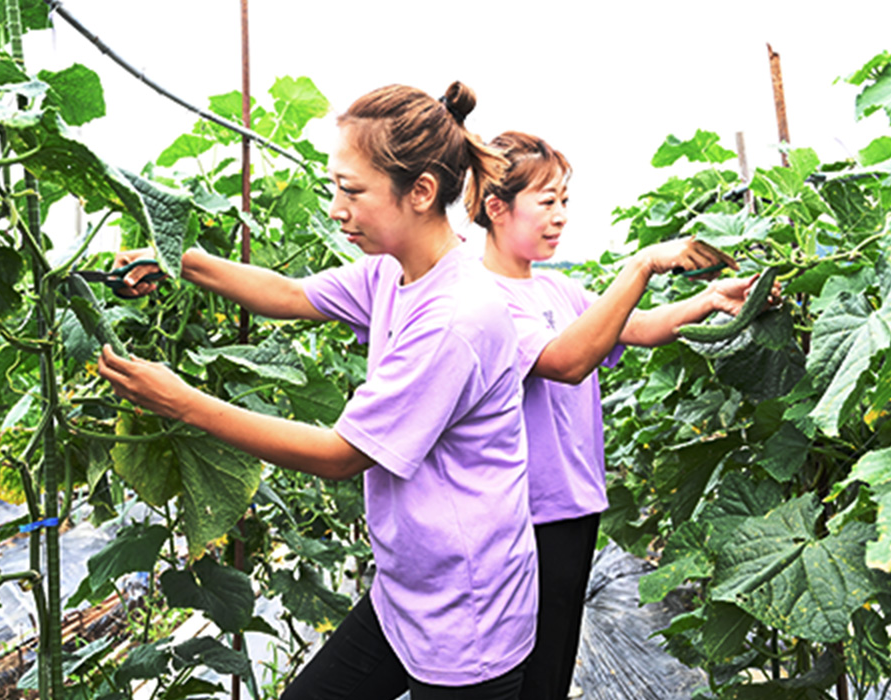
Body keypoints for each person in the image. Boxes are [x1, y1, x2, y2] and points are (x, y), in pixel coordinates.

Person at [98, 84, 539, 700]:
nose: (336, 208)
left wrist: (182, 402)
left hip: (466, 614)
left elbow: (340, 454)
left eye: (352, 191)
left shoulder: (458, 316)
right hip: (405, 591)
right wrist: (177, 259)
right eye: (335, 187)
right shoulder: (396, 269)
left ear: (421, 192)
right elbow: (292, 295)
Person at [475, 131, 775, 700]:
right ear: (496, 207)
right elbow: (565, 362)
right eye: (546, 201)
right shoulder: (483, 296)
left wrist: (712, 300)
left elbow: (636, 329)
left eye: (565, 200)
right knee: (522, 670)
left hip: (574, 504)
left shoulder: (557, 288)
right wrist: (642, 263)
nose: (561, 215)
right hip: (523, 514)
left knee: (553, 665)